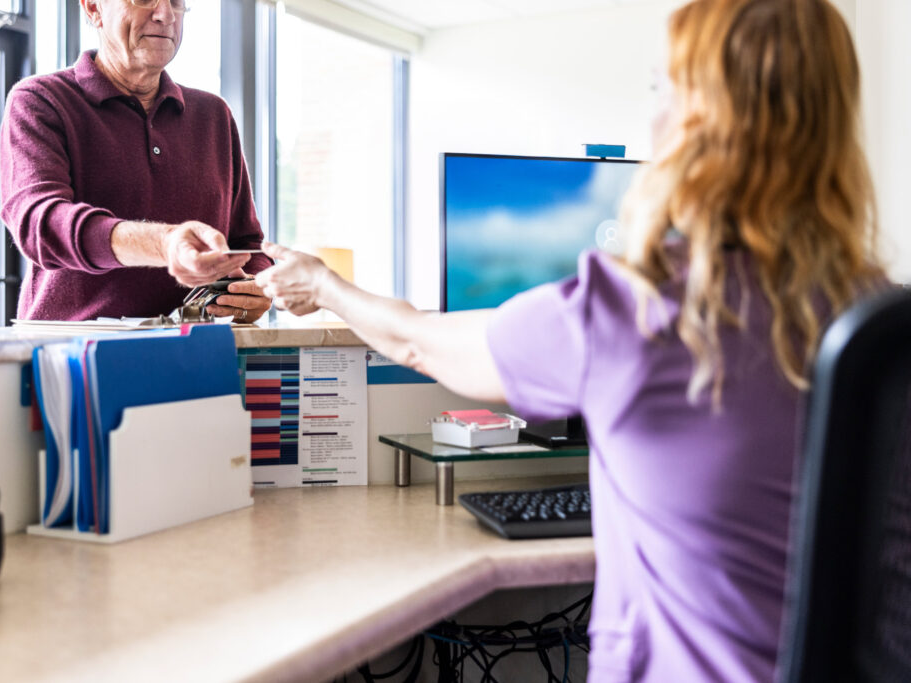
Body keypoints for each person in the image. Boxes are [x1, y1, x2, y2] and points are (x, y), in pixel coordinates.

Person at [254, 0, 884, 680]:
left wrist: (321, 285)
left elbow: (418, 341)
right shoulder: (884, 324)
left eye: (660, 91)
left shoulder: (629, 311)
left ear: (694, 122)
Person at [0, 0, 272, 322]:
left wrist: (255, 288)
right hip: (74, 352)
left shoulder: (214, 115)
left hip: (197, 351)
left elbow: (247, 244)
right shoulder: (40, 100)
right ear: (92, 8)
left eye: (176, 2)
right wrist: (164, 244)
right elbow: (39, 226)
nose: (165, 14)